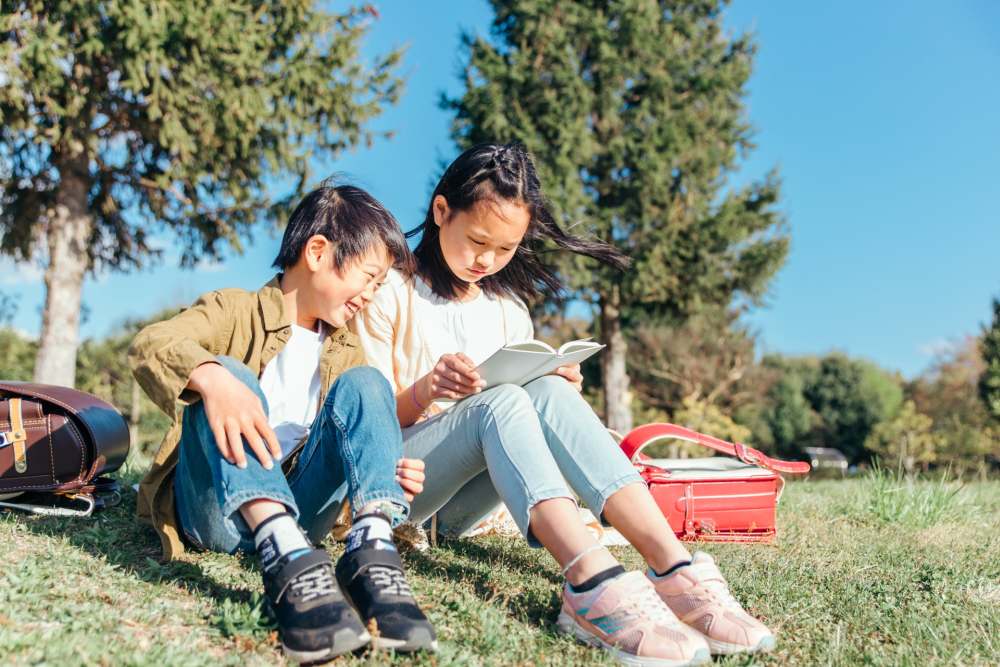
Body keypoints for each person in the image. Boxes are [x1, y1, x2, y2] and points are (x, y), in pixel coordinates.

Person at [352, 144, 775, 666]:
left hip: (468, 504)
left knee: (545, 389)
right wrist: (427, 390)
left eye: (505, 249)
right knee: (501, 402)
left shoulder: (507, 310)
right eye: (477, 240)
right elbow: (360, 425)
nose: (487, 260)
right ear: (441, 213)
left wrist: (556, 389)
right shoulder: (388, 291)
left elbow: (523, 422)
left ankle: (674, 568)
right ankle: (590, 581)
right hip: (402, 491)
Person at [130, 184, 436, 663]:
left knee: (368, 384)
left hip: (303, 514)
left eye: (380, 286)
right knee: (227, 374)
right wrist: (211, 379)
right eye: (369, 277)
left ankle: (372, 551)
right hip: (221, 515)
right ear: (318, 251)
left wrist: (382, 468)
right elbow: (152, 344)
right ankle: (284, 555)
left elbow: (354, 436)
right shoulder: (235, 310)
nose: (371, 296)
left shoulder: (348, 351)